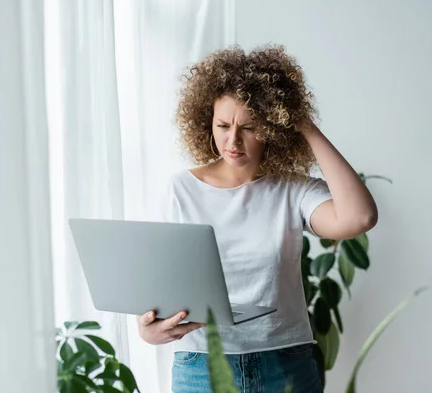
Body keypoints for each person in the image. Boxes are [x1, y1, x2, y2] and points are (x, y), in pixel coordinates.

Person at [136, 45, 378, 392]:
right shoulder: (180, 190)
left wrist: (305, 125)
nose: (232, 140)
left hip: (284, 362)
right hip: (201, 366)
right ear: (206, 121)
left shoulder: (293, 190)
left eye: (249, 127)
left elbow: (360, 217)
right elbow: (156, 282)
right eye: (222, 125)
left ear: (275, 127)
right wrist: (147, 329)